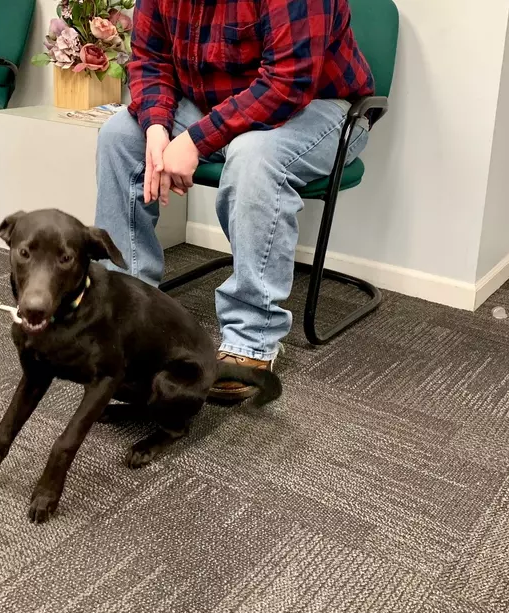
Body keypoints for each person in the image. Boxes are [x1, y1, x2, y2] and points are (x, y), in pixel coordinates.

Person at [95, 0, 375, 401]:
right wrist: (156, 125)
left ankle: (250, 341)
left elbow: (288, 84)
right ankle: (125, 315)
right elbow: (150, 60)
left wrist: (193, 140)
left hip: (317, 108)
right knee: (119, 135)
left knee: (254, 155)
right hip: (212, 106)